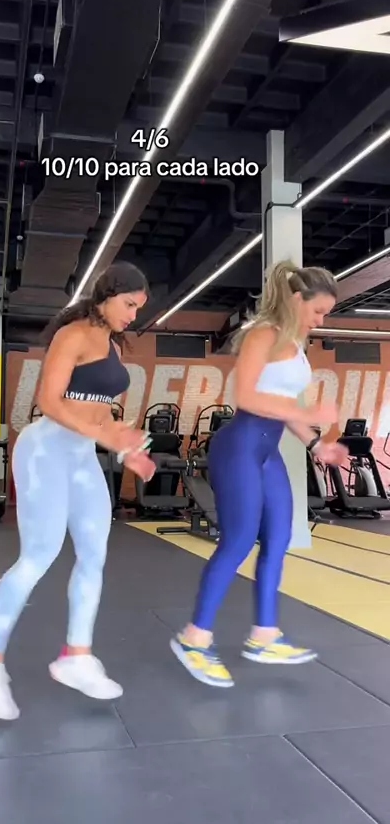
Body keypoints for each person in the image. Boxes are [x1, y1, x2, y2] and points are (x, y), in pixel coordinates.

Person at [0, 262, 155, 720]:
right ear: (108, 295)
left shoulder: (112, 346)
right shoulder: (75, 334)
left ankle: (76, 657)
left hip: (82, 458)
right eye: (129, 304)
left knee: (94, 554)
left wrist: (126, 447)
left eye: (138, 309)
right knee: (39, 555)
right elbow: (48, 400)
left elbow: (101, 413)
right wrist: (105, 436)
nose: (133, 316)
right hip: (45, 452)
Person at [170, 260, 348, 688]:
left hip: (267, 453)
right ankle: (194, 639)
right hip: (239, 447)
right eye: (318, 311)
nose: (321, 321)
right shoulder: (262, 335)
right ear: (297, 299)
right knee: (237, 541)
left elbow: (284, 407)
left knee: (278, 539)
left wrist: (315, 444)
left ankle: (264, 635)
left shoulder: (297, 344)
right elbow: (248, 397)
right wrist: (308, 412)